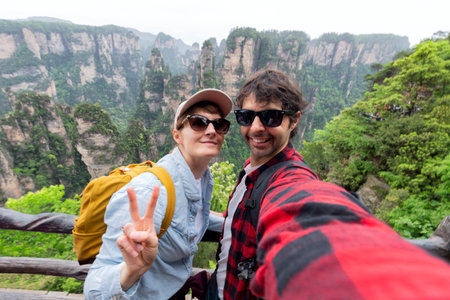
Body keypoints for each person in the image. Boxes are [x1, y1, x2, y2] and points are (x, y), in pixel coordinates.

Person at [211, 69, 450, 299]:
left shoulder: (290, 178)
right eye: (246, 116)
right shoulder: (251, 170)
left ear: (293, 121)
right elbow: (238, 222)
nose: (255, 127)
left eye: (270, 117)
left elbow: (304, 206)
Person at [83, 88, 233, 299]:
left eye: (219, 124)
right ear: (177, 135)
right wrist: (132, 270)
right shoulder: (148, 191)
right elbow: (94, 291)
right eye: (198, 122)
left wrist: (236, 220)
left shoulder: (203, 180)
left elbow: (194, 217)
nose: (211, 130)